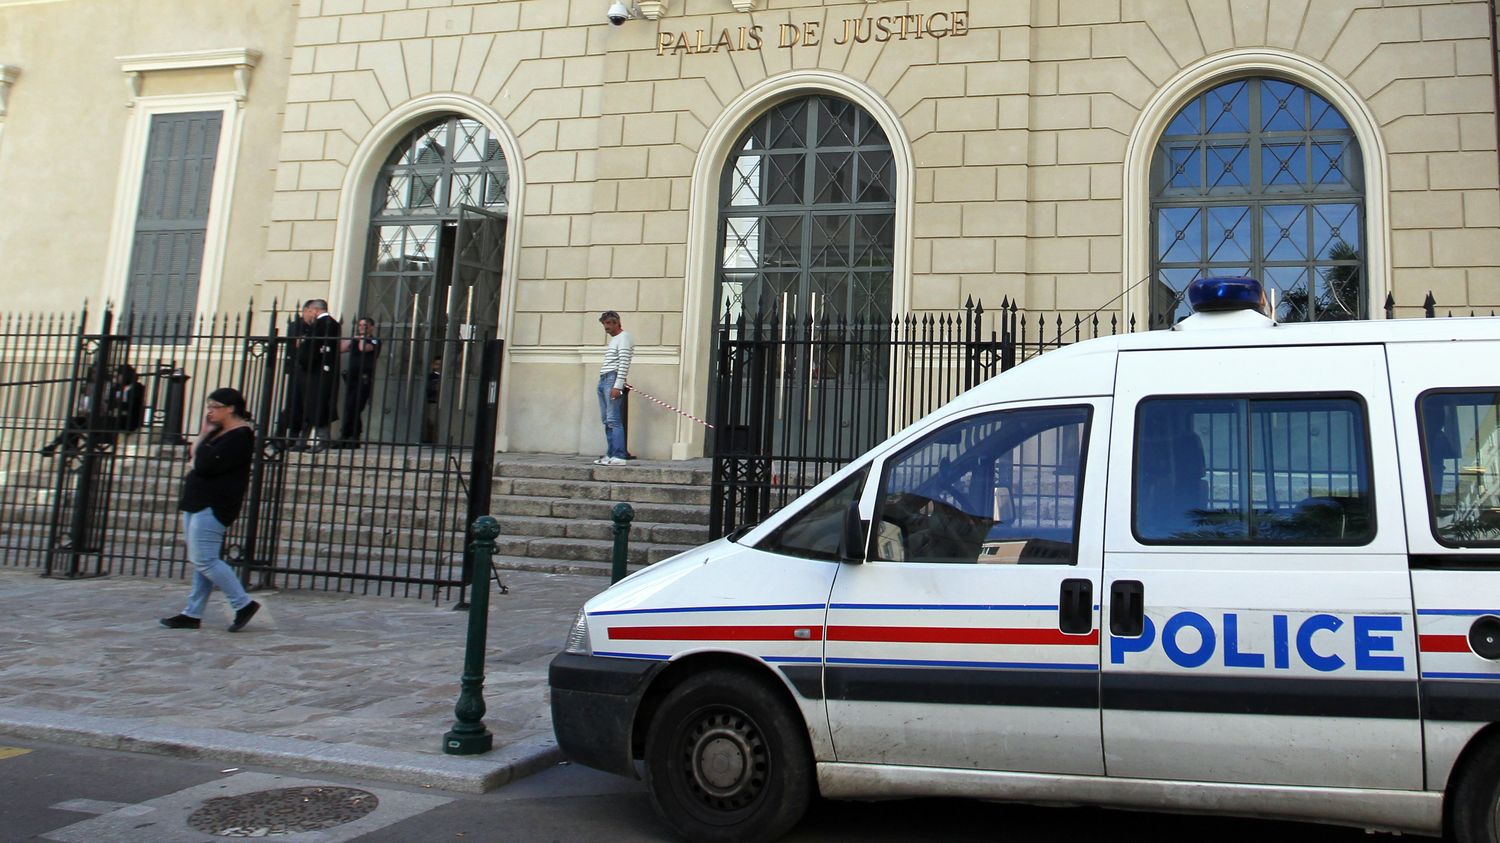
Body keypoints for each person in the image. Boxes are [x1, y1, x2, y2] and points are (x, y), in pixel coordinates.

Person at [159, 387, 261, 632]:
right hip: (197, 499)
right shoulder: (216, 433)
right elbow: (194, 455)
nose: (210, 412)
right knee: (202, 560)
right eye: (208, 407)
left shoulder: (240, 435)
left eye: (215, 407)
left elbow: (204, 464)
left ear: (230, 408)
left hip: (215, 502)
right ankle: (192, 613)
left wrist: (200, 450)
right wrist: (203, 438)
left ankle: (243, 603)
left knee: (204, 559)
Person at [284, 299, 340, 452]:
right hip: (316, 371)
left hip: (315, 371)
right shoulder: (331, 323)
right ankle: (302, 440)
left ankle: (323, 439)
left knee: (317, 405)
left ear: (315, 310)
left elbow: (313, 347)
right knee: (308, 406)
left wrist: (303, 360)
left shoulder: (322, 324)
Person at [595, 310, 633, 466]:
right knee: (606, 419)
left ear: (617, 323)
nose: (607, 328)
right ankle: (610, 454)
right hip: (604, 378)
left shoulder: (624, 338)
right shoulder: (615, 339)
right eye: (605, 325)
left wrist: (617, 385)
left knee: (614, 419)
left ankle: (619, 455)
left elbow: (624, 362)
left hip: (612, 378)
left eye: (609, 325)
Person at [337, 317, 381, 448]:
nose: (362, 327)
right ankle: (351, 436)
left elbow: (364, 348)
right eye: (360, 325)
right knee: (351, 407)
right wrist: (352, 338)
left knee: (355, 407)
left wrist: (361, 337)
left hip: (364, 378)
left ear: (372, 327)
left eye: (365, 325)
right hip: (352, 377)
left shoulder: (374, 341)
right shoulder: (355, 340)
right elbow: (341, 348)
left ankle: (349, 436)